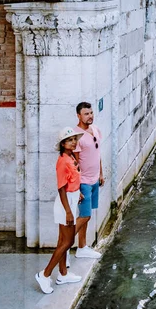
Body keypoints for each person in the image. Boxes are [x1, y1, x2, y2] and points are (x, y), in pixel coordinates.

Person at [35, 127, 84, 294]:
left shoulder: (70, 157)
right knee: (67, 242)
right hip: (65, 204)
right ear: (63, 144)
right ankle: (45, 274)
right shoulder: (63, 161)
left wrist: (79, 193)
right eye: (69, 140)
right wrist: (69, 211)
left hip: (72, 199)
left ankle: (63, 274)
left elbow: (72, 182)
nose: (73, 142)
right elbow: (61, 188)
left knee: (63, 241)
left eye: (74, 139)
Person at [73, 102, 104, 259]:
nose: (90, 116)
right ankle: (64, 243)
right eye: (86, 114)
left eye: (91, 113)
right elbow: (75, 163)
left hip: (94, 180)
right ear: (78, 116)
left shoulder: (95, 129)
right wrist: (77, 187)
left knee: (87, 214)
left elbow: (97, 153)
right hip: (83, 182)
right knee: (85, 215)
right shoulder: (76, 136)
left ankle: (82, 247)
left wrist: (101, 173)